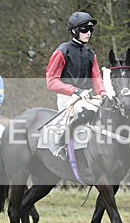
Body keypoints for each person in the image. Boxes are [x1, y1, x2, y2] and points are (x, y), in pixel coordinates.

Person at [45, 11, 107, 158]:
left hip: (87, 97)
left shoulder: (91, 54)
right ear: (74, 31)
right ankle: (59, 143)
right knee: (88, 111)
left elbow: (97, 78)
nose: (89, 33)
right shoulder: (62, 51)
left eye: (91, 30)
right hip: (68, 98)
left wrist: (103, 93)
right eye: (85, 29)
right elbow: (51, 82)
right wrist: (75, 91)